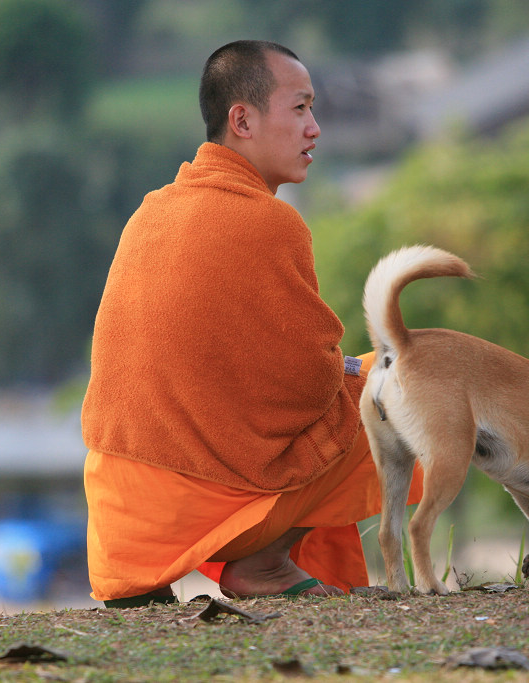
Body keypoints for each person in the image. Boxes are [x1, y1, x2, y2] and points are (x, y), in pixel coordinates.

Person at [81, 40, 421, 607]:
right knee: (399, 385)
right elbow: (310, 386)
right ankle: (263, 563)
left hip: (120, 521)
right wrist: (349, 368)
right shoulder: (270, 221)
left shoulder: (151, 211)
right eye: (300, 108)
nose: (315, 128)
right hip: (204, 498)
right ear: (242, 118)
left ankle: (176, 567)